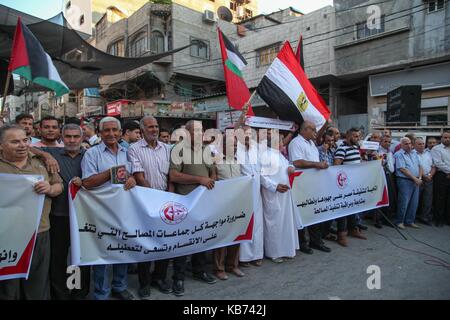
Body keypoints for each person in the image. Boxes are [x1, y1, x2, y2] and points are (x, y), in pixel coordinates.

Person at [0, 125, 63, 300]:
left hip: (39, 231)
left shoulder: (43, 162)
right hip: (5, 234)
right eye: (15, 141)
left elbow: (60, 186)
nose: (22, 145)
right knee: (8, 283)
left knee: (37, 281)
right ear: (1, 145)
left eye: (25, 140)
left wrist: (50, 188)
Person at [81, 117, 136, 300]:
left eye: (114, 130)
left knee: (122, 249)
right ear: (100, 132)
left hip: (124, 210)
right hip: (101, 211)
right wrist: (112, 172)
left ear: (121, 133)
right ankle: (101, 293)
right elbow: (87, 183)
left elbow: (131, 175)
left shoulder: (128, 152)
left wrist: (131, 179)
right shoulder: (92, 154)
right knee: (102, 254)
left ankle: (119, 287)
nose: (111, 134)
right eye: (106, 130)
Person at [41, 124, 90, 300]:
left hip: (83, 216)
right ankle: (60, 294)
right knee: (59, 257)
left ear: (82, 138)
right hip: (59, 215)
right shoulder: (53, 153)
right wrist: (45, 154)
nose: (72, 140)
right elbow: (30, 148)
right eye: (68, 136)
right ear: (61, 138)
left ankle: (78, 292)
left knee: (80, 257)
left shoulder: (89, 155)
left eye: (76, 136)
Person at [169, 120, 217, 297]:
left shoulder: (205, 149)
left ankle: (200, 271)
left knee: (202, 237)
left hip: (204, 201)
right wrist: (200, 180)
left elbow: (212, 171)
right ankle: (178, 278)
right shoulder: (178, 149)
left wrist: (211, 177)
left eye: (201, 130)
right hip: (186, 202)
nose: (200, 133)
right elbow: (174, 176)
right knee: (184, 241)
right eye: (196, 130)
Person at [128, 116, 173, 298]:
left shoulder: (167, 149)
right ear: (142, 129)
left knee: (164, 242)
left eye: (156, 126)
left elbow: (171, 175)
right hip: (145, 202)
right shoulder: (134, 149)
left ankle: (159, 278)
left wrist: (168, 197)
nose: (154, 130)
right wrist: (153, 199)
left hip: (165, 201)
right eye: (150, 127)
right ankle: (144, 282)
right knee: (146, 244)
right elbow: (139, 176)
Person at [289, 121, 331, 253]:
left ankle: (316, 241)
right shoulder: (296, 143)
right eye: (313, 130)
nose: (315, 133)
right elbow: (297, 162)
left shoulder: (311, 143)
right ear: (305, 130)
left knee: (315, 213)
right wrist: (317, 164)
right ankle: (303, 243)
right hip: (301, 185)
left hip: (313, 184)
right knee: (302, 214)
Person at [260, 129, 299, 262]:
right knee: (274, 225)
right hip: (273, 195)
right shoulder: (266, 155)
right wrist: (275, 186)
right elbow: (262, 176)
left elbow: (288, 166)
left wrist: (291, 168)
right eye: (282, 141)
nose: (284, 143)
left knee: (285, 223)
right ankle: (274, 253)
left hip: (285, 196)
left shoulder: (280, 155)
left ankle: (286, 249)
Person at [213, 135, 245, 279]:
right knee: (222, 236)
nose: (236, 147)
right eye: (233, 144)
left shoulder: (238, 160)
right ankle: (219, 268)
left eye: (237, 145)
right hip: (222, 203)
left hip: (238, 202)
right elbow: (213, 180)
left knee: (236, 234)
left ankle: (232, 265)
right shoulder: (216, 160)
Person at [236, 125, 265, 266]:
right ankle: (245, 257)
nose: (247, 137)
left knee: (257, 224)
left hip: (257, 190)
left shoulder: (257, 149)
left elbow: (260, 171)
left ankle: (257, 254)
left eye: (249, 134)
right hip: (243, 192)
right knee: (245, 223)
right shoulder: (236, 150)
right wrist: (241, 117)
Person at [334, 127, 367, 243]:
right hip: (344, 185)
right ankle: (341, 234)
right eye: (355, 136)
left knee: (353, 207)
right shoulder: (342, 149)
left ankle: (353, 229)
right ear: (348, 136)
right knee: (343, 210)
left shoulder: (355, 148)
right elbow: (336, 167)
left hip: (355, 184)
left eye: (358, 136)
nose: (358, 138)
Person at [394, 137, 422, 229]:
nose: (409, 145)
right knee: (404, 202)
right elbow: (402, 169)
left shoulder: (414, 153)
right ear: (401, 145)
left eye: (410, 143)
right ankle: (399, 221)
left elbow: (420, 166)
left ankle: (410, 221)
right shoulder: (399, 154)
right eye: (406, 144)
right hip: (404, 180)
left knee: (414, 202)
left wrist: (420, 178)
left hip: (416, 181)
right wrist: (415, 179)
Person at [430, 131, 450, 226]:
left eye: (449, 137)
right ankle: (439, 219)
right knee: (440, 198)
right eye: (445, 137)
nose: (447, 139)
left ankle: (448, 219)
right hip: (441, 176)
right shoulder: (436, 149)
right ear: (441, 138)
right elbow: (438, 163)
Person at [414, 137, 435, 226]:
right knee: (415, 199)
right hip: (418, 179)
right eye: (419, 144)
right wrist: (423, 176)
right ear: (414, 145)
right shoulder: (412, 154)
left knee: (427, 199)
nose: (422, 145)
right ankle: (413, 217)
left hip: (429, 179)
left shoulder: (429, 153)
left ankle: (424, 217)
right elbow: (417, 167)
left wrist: (430, 175)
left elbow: (434, 166)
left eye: (423, 143)